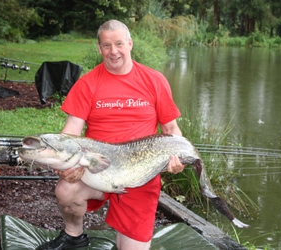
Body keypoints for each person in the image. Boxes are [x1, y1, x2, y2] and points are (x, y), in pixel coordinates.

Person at [37, 19, 185, 250]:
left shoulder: (155, 80)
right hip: (96, 167)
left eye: (119, 44)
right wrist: (61, 162)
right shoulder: (87, 83)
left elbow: (172, 130)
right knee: (66, 189)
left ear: (130, 44)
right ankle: (74, 237)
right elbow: (71, 132)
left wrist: (179, 159)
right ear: (99, 48)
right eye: (106, 45)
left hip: (139, 175)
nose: (113, 51)